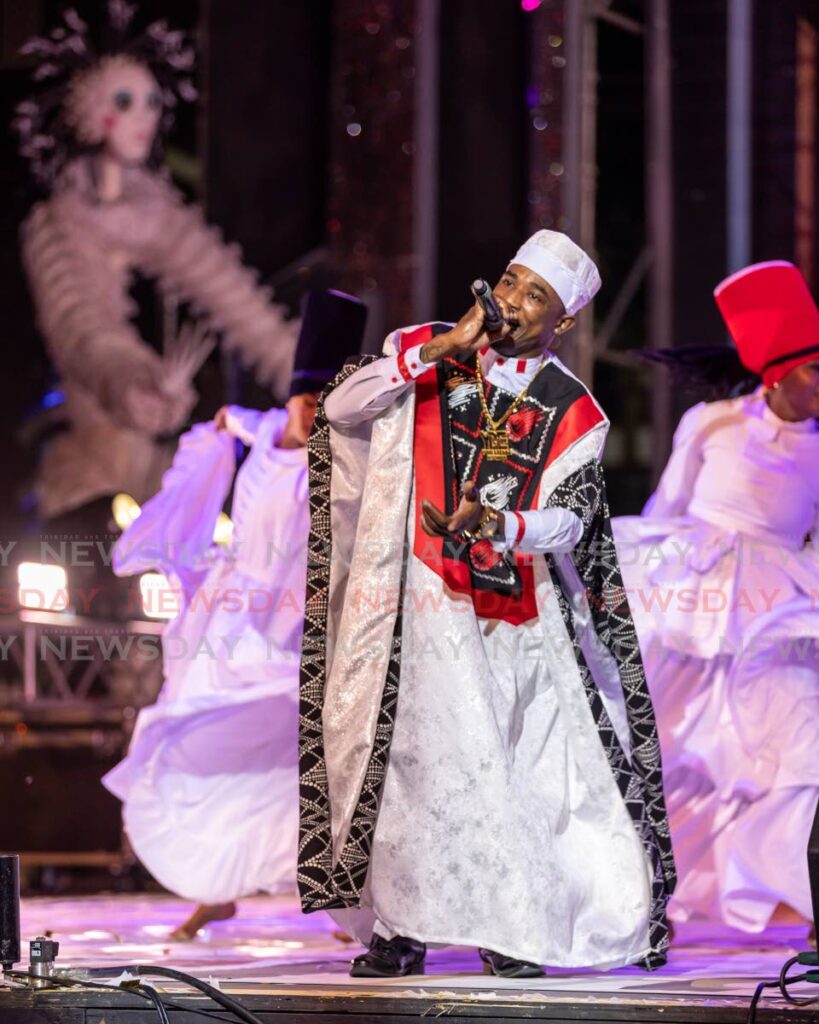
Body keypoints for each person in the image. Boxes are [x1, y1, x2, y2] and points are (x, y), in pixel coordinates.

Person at [297, 230, 675, 978]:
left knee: (508, 767)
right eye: (510, 280)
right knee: (410, 765)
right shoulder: (427, 348)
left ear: (560, 321)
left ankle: (507, 922)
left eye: (535, 295)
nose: (511, 301)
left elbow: (571, 516)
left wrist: (500, 523)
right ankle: (401, 930)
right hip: (412, 607)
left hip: (511, 619)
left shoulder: (575, 410)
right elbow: (339, 410)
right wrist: (439, 352)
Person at [103, 291, 366, 939]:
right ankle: (209, 886)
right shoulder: (263, 427)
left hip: (288, 624)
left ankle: (334, 892)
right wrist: (223, 425)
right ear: (293, 400)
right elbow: (229, 422)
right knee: (190, 732)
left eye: (324, 409)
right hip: (226, 617)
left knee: (304, 755)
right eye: (307, 405)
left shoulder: (342, 463)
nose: (313, 418)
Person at [15, 2, 297, 523]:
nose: (144, 114)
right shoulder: (60, 224)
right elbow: (83, 327)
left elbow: (233, 296)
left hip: (156, 470)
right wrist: (137, 384)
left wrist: (303, 370)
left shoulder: (158, 210)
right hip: (92, 472)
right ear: (92, 113)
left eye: (151, 101)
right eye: (126, 100)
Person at [613, 261, 819, 940]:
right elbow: (664, 507)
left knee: (787, 753)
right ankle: (643, 894)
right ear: (777, 373)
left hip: (775, 613)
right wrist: (635, 585)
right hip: (695, 601)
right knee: (672, 750)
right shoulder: (710, 423)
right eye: (815, 369)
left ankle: (796, 890)